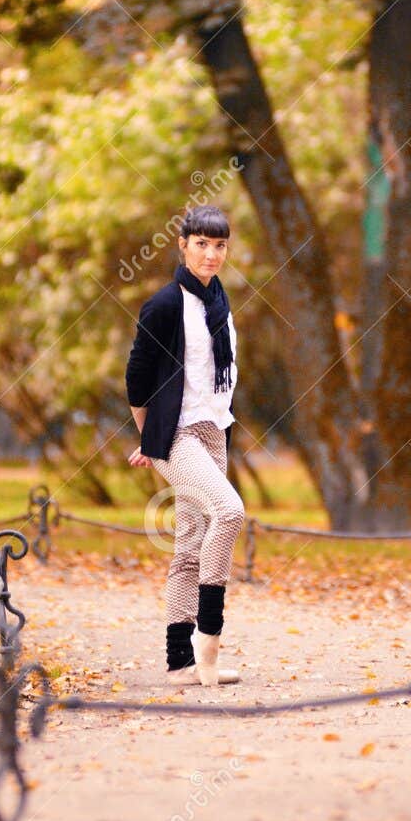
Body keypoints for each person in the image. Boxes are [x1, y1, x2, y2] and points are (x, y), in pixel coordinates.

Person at [125, 204, 245, 686]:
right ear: (183, 245)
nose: (211, 255)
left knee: (190, 545)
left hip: (215, 430)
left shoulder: (220, 302)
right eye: (202, 244)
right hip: (178, 434)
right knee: (230, 511)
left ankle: (179, 665)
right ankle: (207, 643)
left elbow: (222, 377)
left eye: (219, 246)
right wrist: (151, 438)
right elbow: (137, 378)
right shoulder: (164, 304)